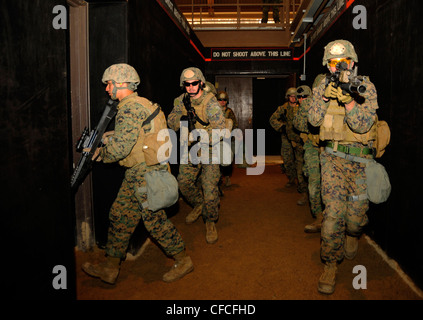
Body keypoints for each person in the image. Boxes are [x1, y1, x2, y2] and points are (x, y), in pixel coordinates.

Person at [81, 63, 193, 284]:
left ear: (121, 83)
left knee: (154, 221)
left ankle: (184, 260)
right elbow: (134, 136)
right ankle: (111, 267)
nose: (107, 89)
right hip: (139, 172)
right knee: (120, 215)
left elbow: (121, 148)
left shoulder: (130, 108)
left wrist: (100, 153)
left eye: (109, 84)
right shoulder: (141, 104)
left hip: (145, 173)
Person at [308, 40, 379, 295]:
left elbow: (362, 126)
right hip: (332, 160)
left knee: (355, 219)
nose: (338, 68)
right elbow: (313, 120)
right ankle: (330, 264)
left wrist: (350, 102)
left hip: (360, 163)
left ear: (353, 62)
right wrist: (325, 96)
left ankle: (353, 233)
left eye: (342, 63)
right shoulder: (321, 87)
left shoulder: (365, 87)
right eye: (332, 63)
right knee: (332, 217)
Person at [168, 67, 226, 244]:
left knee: (210, 192)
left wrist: (201, 135)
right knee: (183, 183)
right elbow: (171, 120)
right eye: (187, 84)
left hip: (210, 149)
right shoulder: (181, 101)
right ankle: (199, 205)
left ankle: (210, 221)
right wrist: (180, 120)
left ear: (201, 83)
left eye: (194, 83)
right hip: (190, 149)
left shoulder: (210, 102)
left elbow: (221, 130)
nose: (191, 87)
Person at [293, 80, 325, 233]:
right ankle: (319, 217)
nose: (302, 99)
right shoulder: (306, 106)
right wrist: (306, 107)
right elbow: (299, 125)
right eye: (300, 97)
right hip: (313, 147)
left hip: (334, 151)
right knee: (313, 184)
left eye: (305, 96)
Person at [270, 87, 308, 204]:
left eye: (295, 96)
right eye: (291, 96)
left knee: (299, 162)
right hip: (287, 138)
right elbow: (272, 119)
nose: (293, 98)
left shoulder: (302, 107)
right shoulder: (283, 108)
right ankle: (291, 178)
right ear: (288, 97)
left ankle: (302, 187)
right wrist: (282, 127)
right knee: (287, 160)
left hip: (299, 139)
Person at [217, 90, 238, 187]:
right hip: (216, 139)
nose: (222, 101)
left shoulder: (229, 112)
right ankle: (218, 178)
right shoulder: (215, 112)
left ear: (227, 101)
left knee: (227, 160)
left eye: (224, 100)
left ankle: (227, 177)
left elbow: (235, 125)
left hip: (227, 140)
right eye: (220, 99)